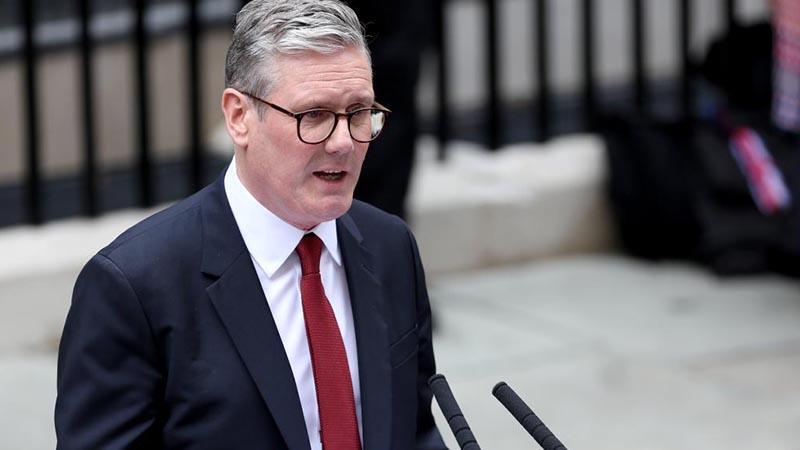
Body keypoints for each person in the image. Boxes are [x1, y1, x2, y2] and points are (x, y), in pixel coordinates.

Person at [54, 1, 446, 449]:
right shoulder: (134, 287)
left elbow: (414, 431)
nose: (343, 142)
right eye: (314, 116)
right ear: (239, 117)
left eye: (358, 112)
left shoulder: (390, 246)